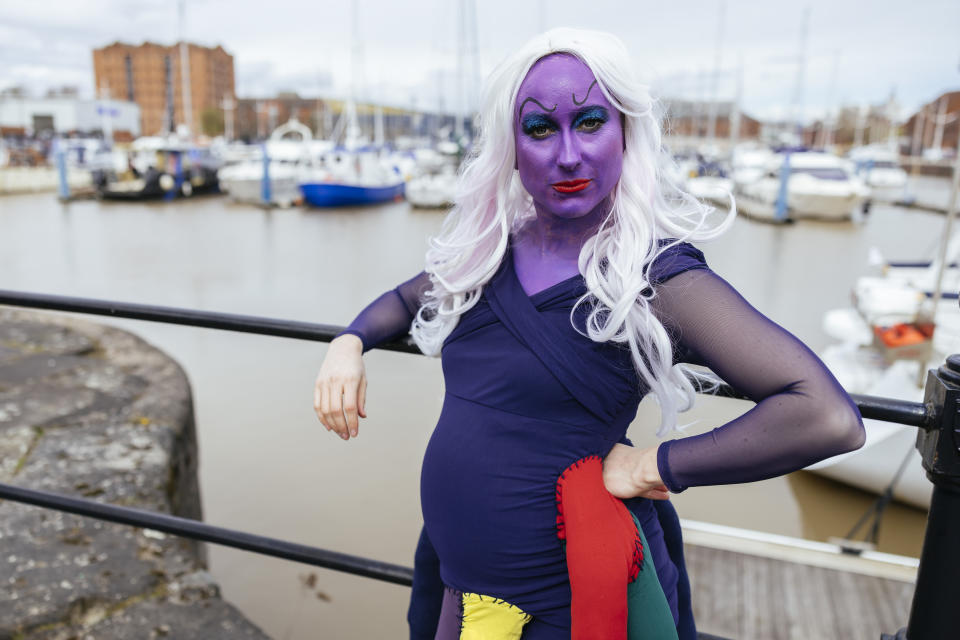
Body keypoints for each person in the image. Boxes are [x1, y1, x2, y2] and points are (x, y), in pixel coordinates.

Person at [314, 28, 865, 640]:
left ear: (626, 133)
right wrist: (349, 343)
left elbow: (825, 415)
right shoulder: (486, 254)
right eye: (542, 128)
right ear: (511, 147)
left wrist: (657, 465)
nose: (569, 154)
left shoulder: (654, 278)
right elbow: (403, 299)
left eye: (592, 121)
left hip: (568, 603)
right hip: (462, 583)